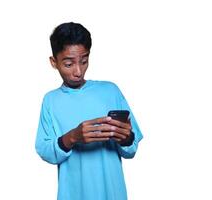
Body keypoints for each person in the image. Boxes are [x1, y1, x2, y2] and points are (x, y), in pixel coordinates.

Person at [35, 22, 143, 200]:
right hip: (74, 194)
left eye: (84, 61)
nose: (78, 71)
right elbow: (45, 150)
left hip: (113, 193)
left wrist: (126, 138)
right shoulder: (50, 101)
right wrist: (72, 137)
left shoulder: (110, 91)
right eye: (69, 64)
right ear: (54, 62)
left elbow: (131, 149)